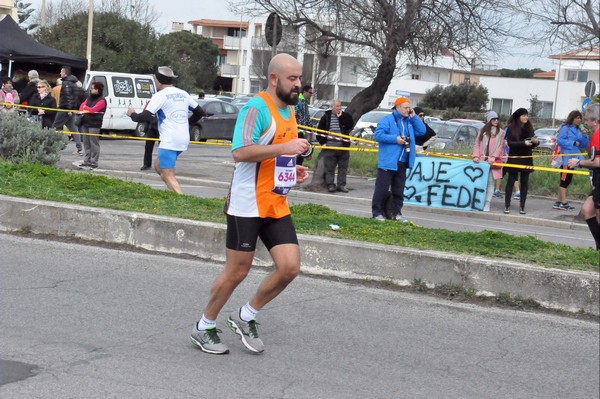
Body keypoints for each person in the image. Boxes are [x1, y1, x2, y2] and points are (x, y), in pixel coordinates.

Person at [190, 53, 310, 355]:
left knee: (289, 267)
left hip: (275, 201)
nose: (298, 85)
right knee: (237, 271)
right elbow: (241, 152)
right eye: (292, 79)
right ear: (274, 79)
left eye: (299, 78)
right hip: (247, 202)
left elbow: (272, 156)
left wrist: (291, 170)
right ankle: (204, 327)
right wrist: (286, 147)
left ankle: (246, 315)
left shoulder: (290, 111)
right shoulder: (257, 108)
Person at [127, 66, 205, 194]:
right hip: (183, 139)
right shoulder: (183, 93)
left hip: (170, 139)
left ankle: (182, 200)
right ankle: (172, 194)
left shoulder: (160, 96)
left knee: (168, 174)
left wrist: (132, 114)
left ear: (158, 81)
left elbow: (144, 116)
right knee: (158, 166)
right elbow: (200, 112)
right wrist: (186, 124)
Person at [371, 96, 426, 222]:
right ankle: (377, 213)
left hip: (403, 161)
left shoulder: (410, 121)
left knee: (398, 190)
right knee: (382, 189)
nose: (408, 109)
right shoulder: (387, 119)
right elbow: (378, 135)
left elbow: (422, 131)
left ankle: (396, 213)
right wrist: (395, 139)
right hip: (388, 161)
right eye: (406, 107)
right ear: (398, 107)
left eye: (409, 107)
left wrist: (414, 117)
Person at [568, 102, 600, 250]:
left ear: (595, 121)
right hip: (597, 181)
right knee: (587, 210)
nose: (585, 123)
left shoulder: (598, 135)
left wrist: (579, 162)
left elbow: (597, 162)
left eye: (587, 120)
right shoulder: (595, 135)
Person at [503, 108, 539, 215]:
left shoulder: (529, 127)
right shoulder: (511, 128)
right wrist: (523, 143)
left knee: (525, 183)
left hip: (527, 158)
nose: (526, 117)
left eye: (527, 115)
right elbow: (510, 143)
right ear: (518, 116)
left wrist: (536, 142)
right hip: (514, 157)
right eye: (523, 115)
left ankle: (522, 206)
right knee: (511, 181)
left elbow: (533, 143)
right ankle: (507, 205)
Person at [554, 110, 589, 210]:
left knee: (568, 179)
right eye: (576, 118)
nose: (578, 120)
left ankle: (558, 201)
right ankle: (563, 203)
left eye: (579, 118)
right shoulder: (566, 128)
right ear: (572, 118)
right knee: (564, 179)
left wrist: (585, 136)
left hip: (574, 157)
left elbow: (583, 145)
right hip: (566, 157)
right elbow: (560, 140)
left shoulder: (578, 130)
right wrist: (572, 143)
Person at [317, 99, 353, 192]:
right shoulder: (326, 116)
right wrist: (323, 143)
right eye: (337, 106)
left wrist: (341, 117)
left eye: (340, 106)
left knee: (343, 167)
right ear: (332, 107)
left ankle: (341, 185)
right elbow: (319, 131)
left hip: (343, 147)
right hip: (330, 146)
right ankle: (330, 185)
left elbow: (349, 125)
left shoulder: (345, 116)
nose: (339, 108)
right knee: (329, 167)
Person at [472, 111, 505, 212]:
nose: (496, 121)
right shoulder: (483, 131)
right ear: (489, 120)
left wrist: (494, 157)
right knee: (480, 181)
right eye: (493, 119)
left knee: (491, 182)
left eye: (497, 119)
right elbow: (477, 144)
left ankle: (488, 203)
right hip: (482, 161)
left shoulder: (501, 132)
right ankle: (478, 201)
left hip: (492, 162)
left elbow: (501, 146)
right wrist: (476, 156)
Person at [52, 66, 86, 156]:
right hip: (69, 109)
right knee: (73, 129)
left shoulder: (66, 83)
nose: (60, 73)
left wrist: (68, 109)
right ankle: (80, 149)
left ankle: (50, 146)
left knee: (55, 127)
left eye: (61, 72)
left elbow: (67, 97)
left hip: (64, 109)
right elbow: (73, 97)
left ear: (65, 73)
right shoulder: (73, 83)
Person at [76, 81, 107, 170]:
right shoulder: (89, 98)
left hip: (95, 124)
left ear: (97, 90)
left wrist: (86, 108)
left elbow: (94, 110)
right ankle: (87, 160)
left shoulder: (102, 100)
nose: (91, 89)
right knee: (86, 142)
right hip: (86, 122)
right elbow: (82, 106)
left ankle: (94, 161)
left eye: (92, 88)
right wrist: (86, 108)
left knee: (94, 143)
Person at [294, 84, 313, 165]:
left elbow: (307, 117)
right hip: (298, 132)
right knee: (297, 154)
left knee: (302, 154)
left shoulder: (304, 102)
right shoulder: (298, 101)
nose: (311, 95)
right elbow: (294, 115)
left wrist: (310, 127)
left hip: (303, 132)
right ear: (304, 92)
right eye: (310, 93)